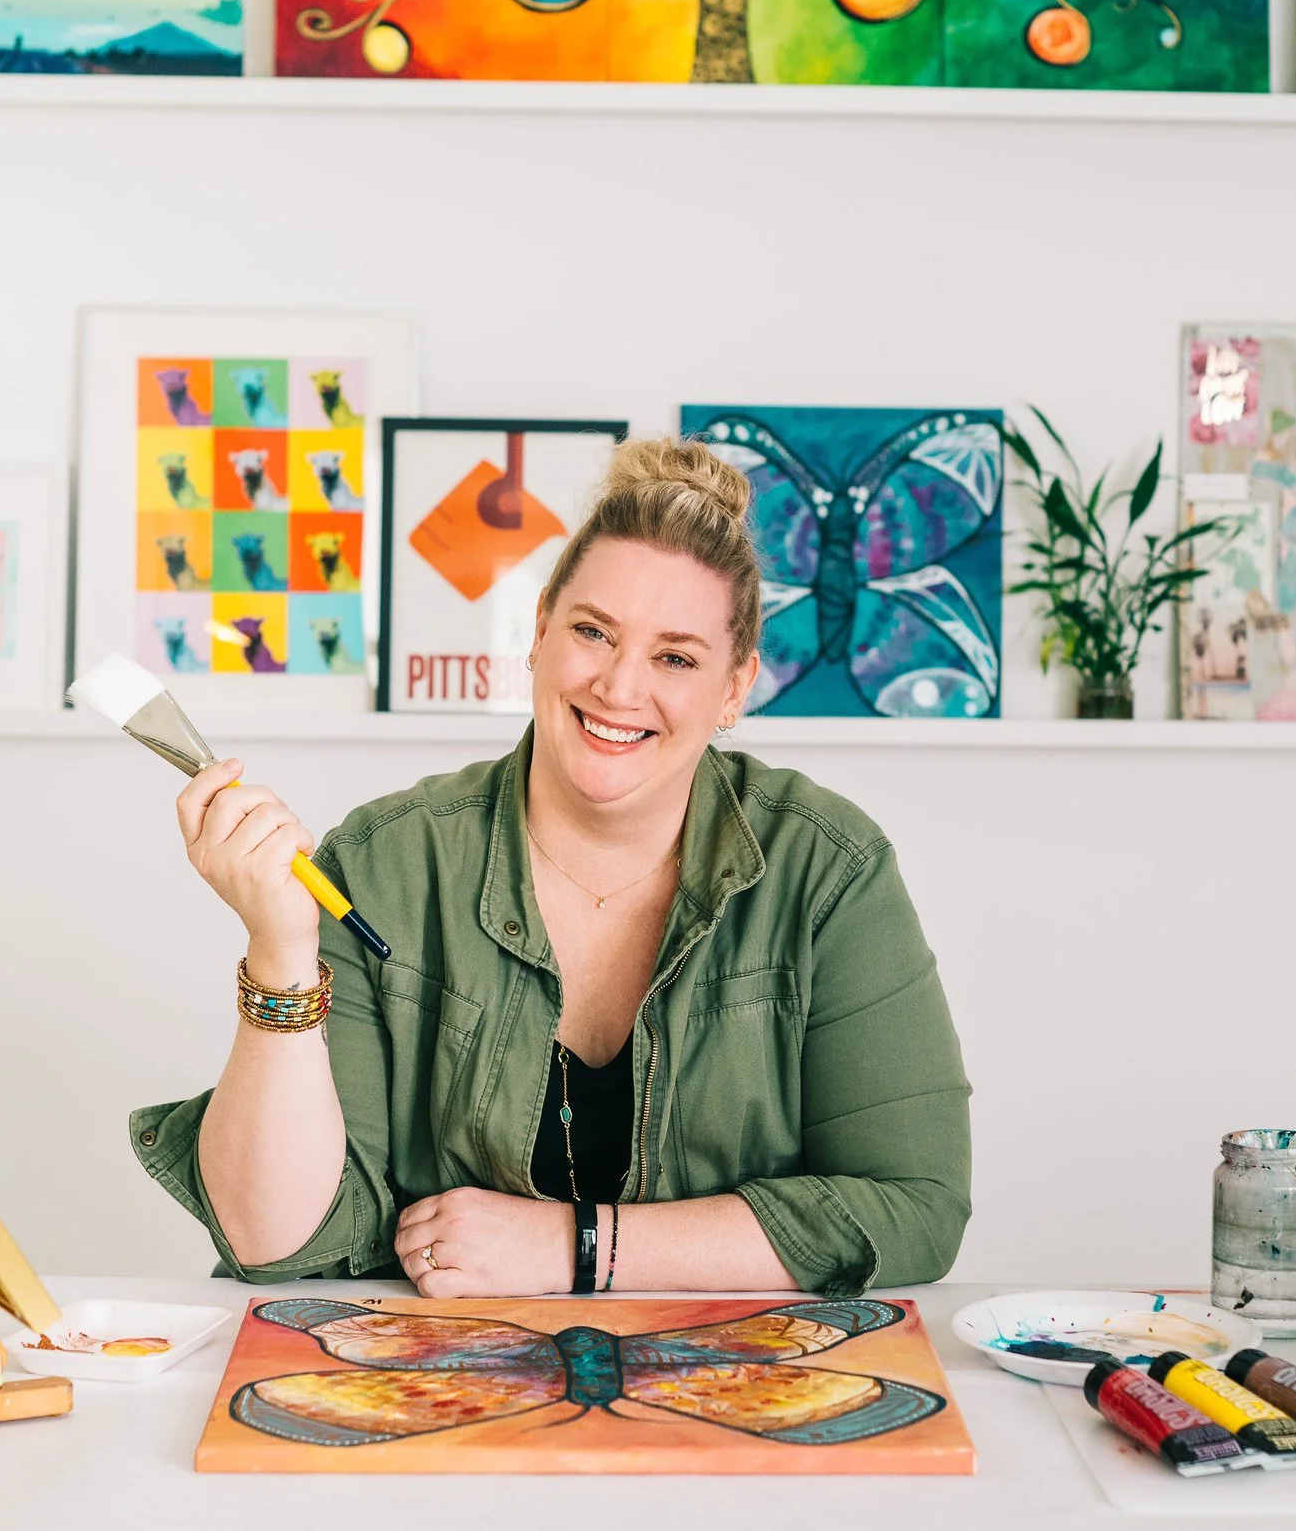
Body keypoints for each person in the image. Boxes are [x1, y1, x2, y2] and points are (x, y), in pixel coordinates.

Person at [130, 437, 973, 1299]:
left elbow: (916, 1207)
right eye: (592, 632)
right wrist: (280, 946)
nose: (618, 685)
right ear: (539, 632)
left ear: (735, 687)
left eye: (675, 657)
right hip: (442, 1395)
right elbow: (277, 1242)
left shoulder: (828, 869)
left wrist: (582, 1248)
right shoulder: (384, 861)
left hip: (742, 1398)